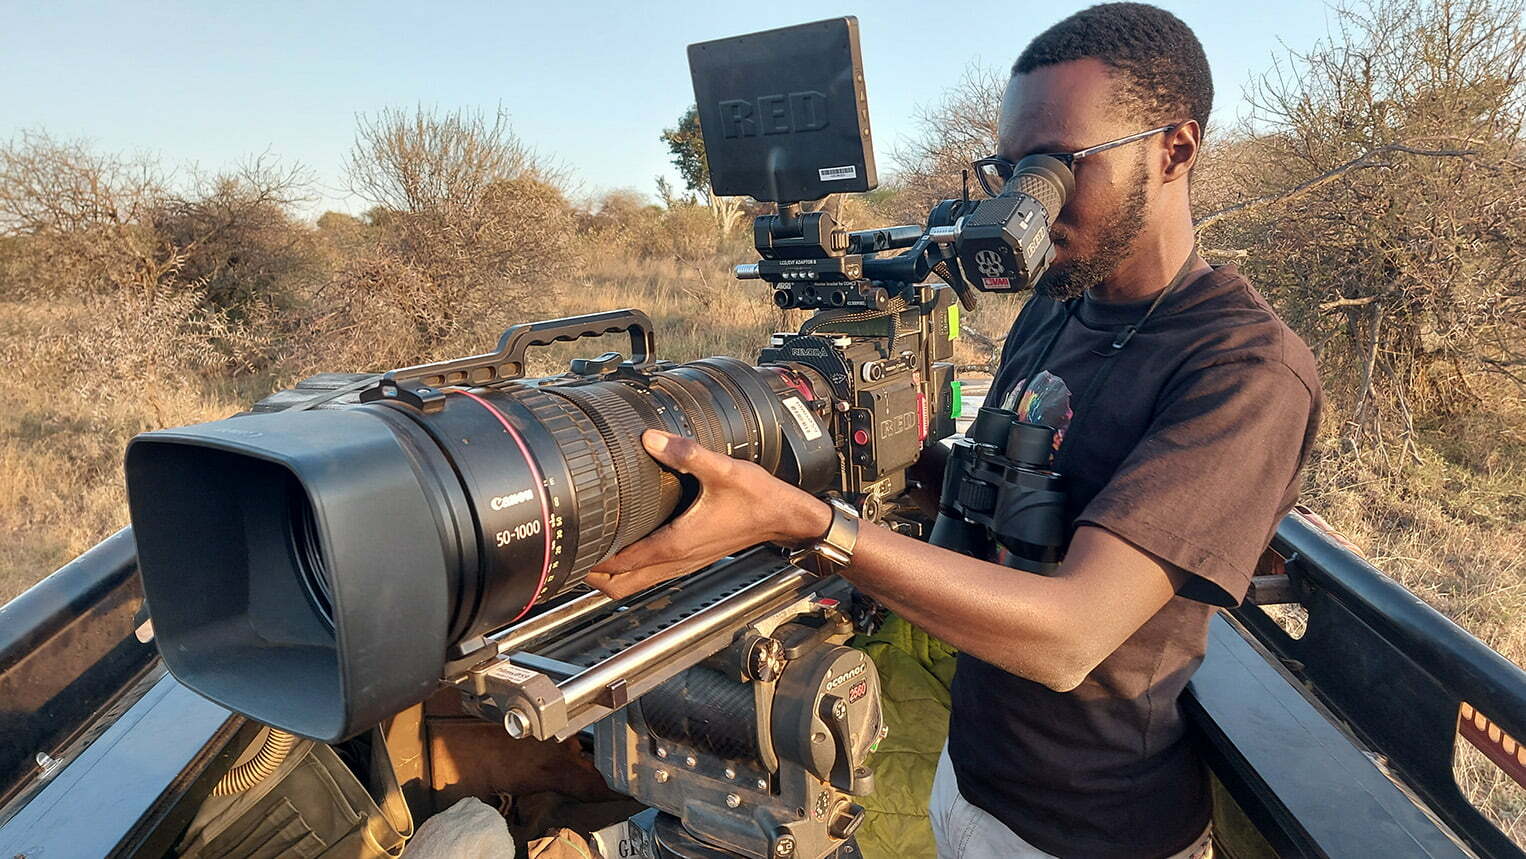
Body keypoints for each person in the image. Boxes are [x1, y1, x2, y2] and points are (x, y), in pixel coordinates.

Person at [585, 4, 1322, 857]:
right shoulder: (1059, 307)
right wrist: (829, 448)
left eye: (1056, 167)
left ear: (1175, 148)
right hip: (967, 780)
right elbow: (981, 484)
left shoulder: (1243, 366)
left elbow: (1069, 635)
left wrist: (808, 523)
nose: (1025, 205)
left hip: (1091, 829)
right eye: (1009, 171)